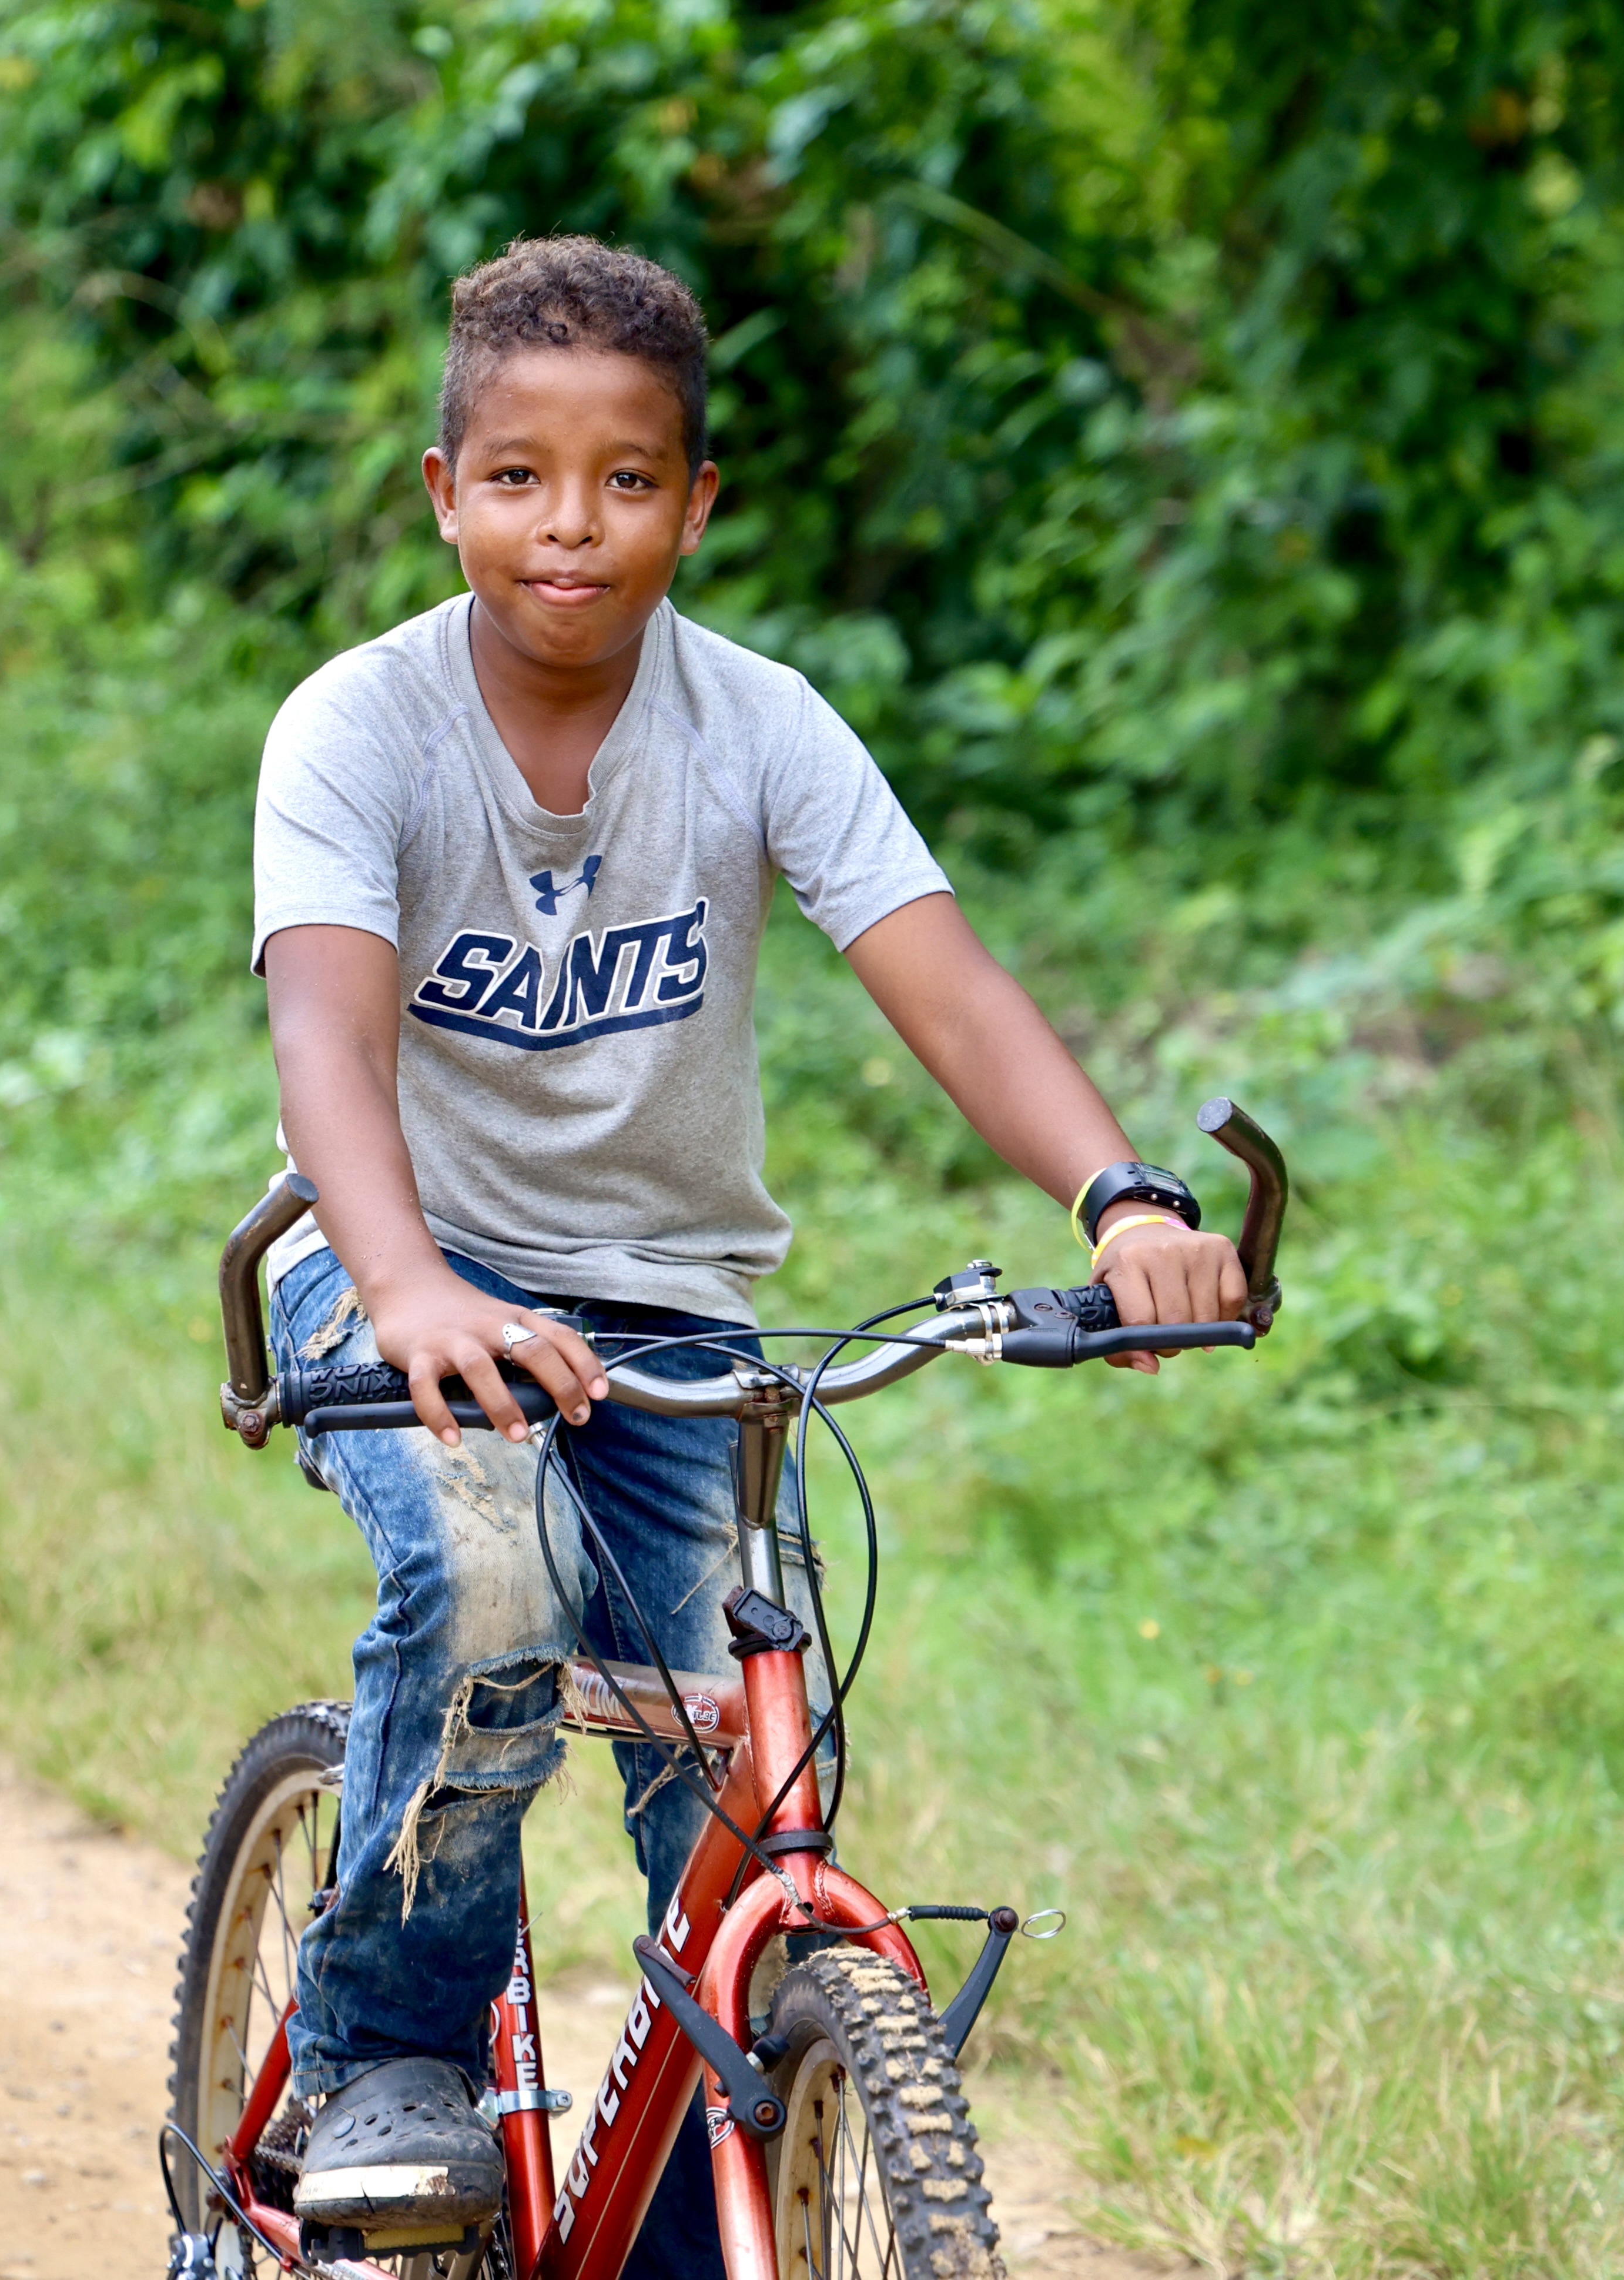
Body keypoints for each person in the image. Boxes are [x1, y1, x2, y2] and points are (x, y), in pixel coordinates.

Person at [250, 236, 1245, 2268]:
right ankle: (383, 2056)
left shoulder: (760, 723)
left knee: (743, 1733)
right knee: (492, 1575)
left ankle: (717, 2201)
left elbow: (945, 986)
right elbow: (329, 1038)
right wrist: (420, 1282)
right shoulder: (356, 728)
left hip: (665, 1307)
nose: (570, 525)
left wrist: (1122, 1200)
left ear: (695, 505)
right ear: (440, 490)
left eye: (628, 480)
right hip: (388, 1266)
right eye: (518, 476)